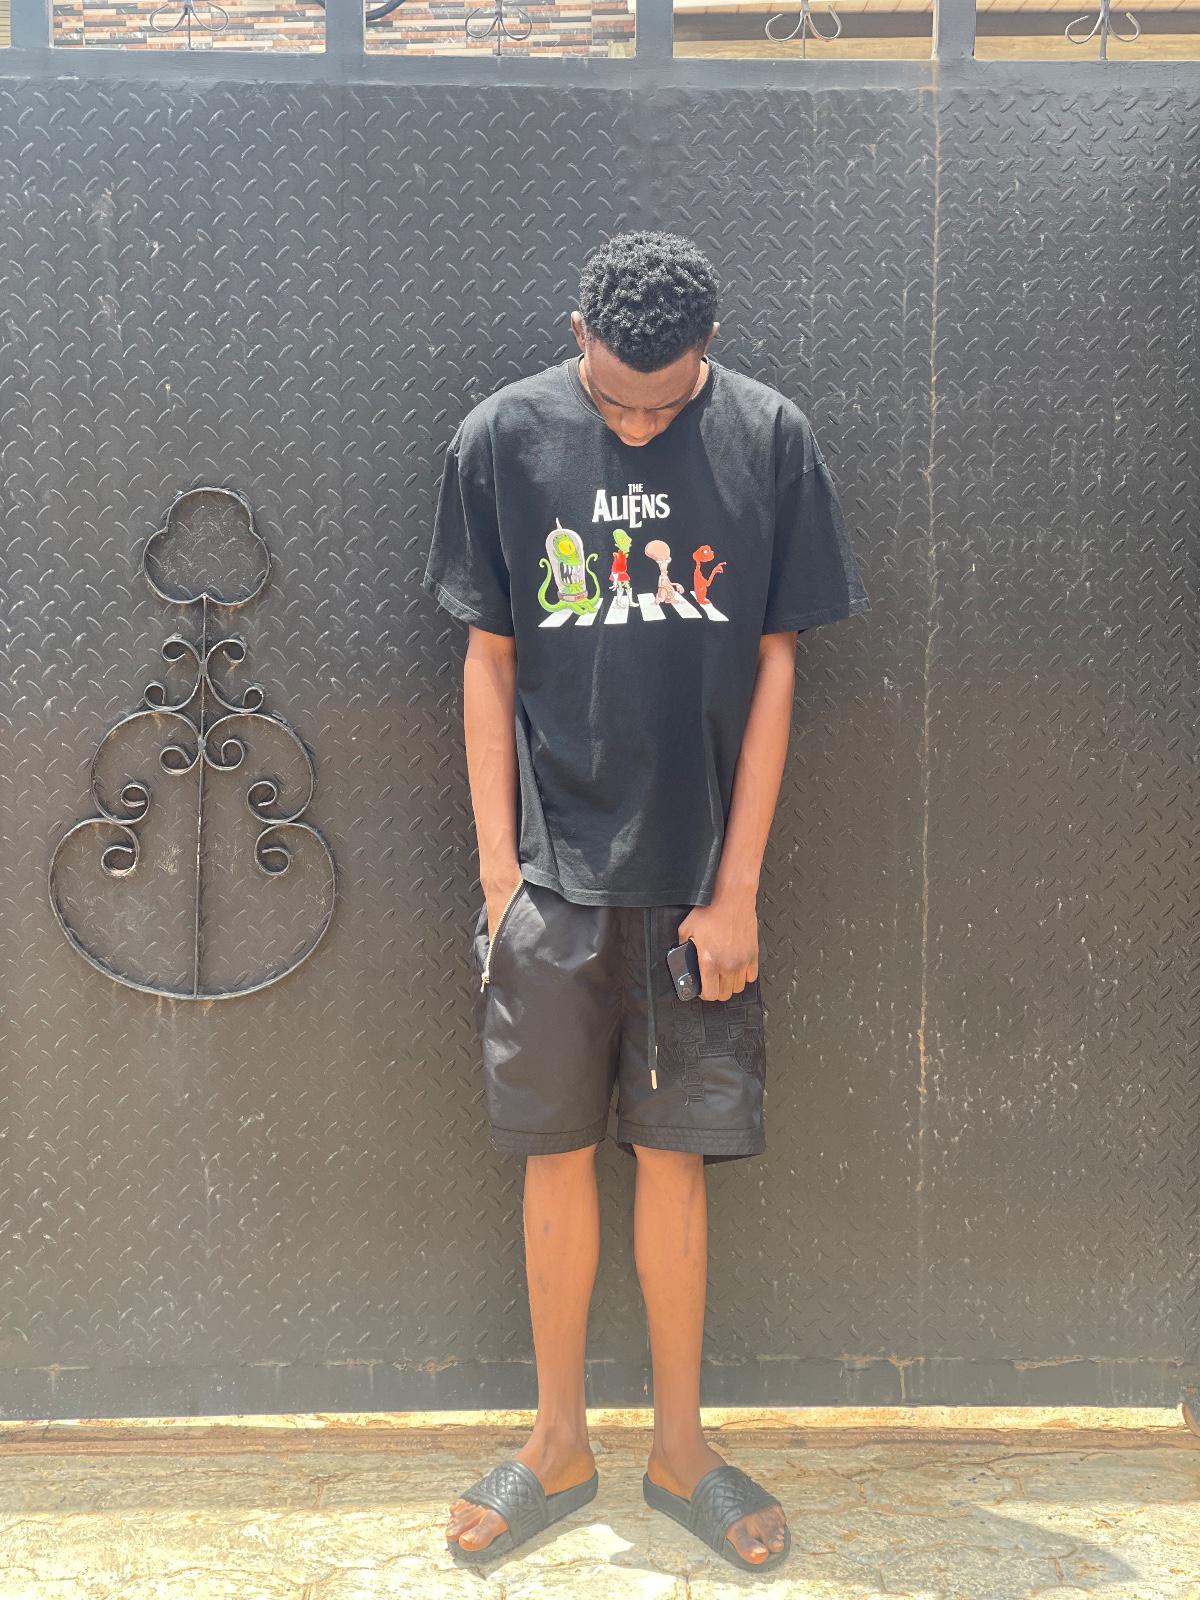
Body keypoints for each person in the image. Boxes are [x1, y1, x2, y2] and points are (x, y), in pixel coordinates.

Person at [421, 229, 869, 1574]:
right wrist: (498, 877)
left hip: (693, 892)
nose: (632, 422)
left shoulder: (769, 440)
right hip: (550, 881)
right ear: (578, 337)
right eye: (613, 397)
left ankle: (682, 1449)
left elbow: (779, 664)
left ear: (706, 356)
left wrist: (739, 890)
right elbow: (488, 657)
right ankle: (557, 1441)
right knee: (554, 1156)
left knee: (676, 1163)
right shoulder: (501, 440)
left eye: (660, 405)